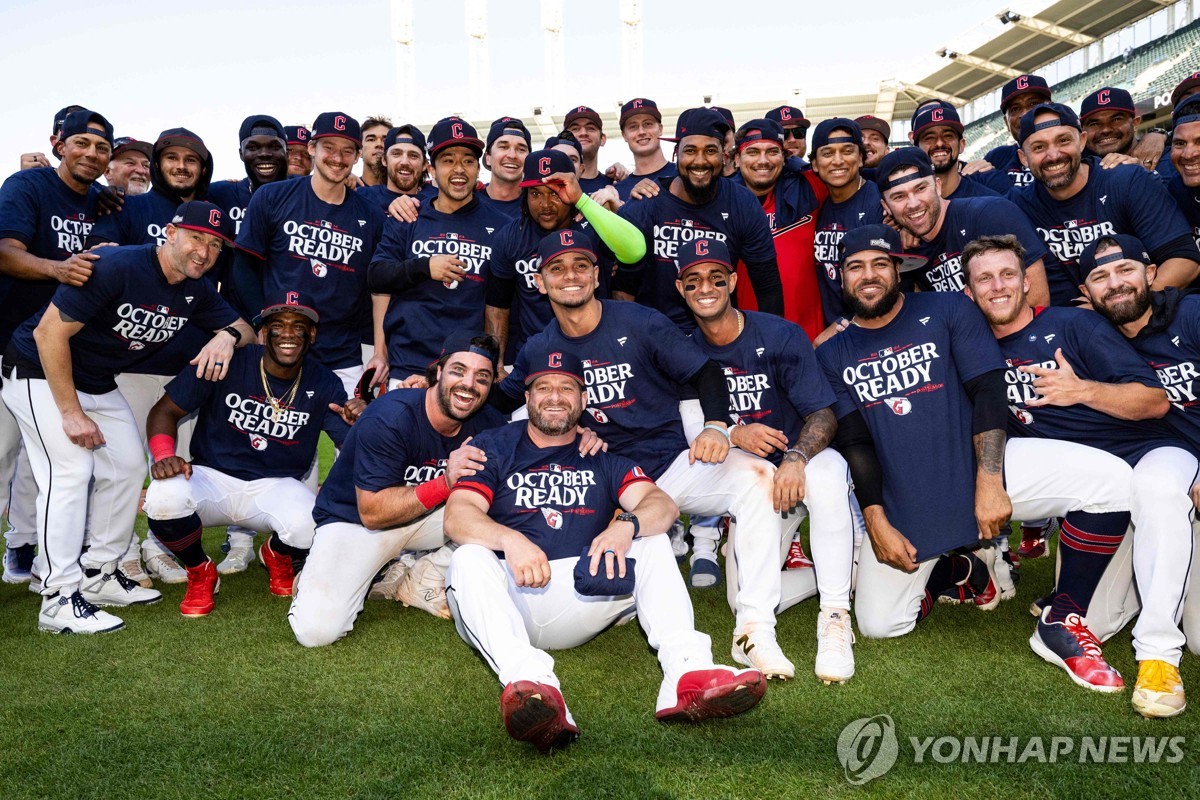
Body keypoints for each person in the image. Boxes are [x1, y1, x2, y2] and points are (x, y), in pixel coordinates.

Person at [496, 230, 800, 679]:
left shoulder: (640, 322)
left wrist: (718, 426)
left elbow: (705, 372)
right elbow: (503, 401)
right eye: (557, 268)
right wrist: (438, 405)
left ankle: (754, 627)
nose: (570, 276)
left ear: (597, 275)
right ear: (540, 282)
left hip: (670, 464)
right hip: (605, 483)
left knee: (757, 478)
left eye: (581, 265)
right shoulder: (540, 347)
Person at [815, 224, 1133, 651]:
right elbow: (855, 442)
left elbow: (988, 390)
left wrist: (989, 481)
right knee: (879, 623)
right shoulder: (831, 351)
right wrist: (875, 518)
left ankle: (1067, 608)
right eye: (856, 266)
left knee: (1112, 481)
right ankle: (963, 567)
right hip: (908, 494)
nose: (869, 275)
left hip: (982, 466)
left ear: (898, 269)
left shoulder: (948, 309)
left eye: (880, 264)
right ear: (841, 276)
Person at [444, 346, 766, 752]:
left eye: (567, 388)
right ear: (526, 398)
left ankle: (687, 673)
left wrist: (625, 526)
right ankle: (535, 689)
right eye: (543, 387)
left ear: (583, 399)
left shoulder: (600, 454)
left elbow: (662, 505)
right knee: (468, 558)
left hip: (580, 593)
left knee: (651, 543)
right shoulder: (495, 445)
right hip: (508, 596)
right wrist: (510, 539)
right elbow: (458, 516)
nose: (555, 397)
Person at [1, 201, 254, 633]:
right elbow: (48, 333)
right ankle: (57, 595)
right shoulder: (116, 265)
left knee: (128, 467)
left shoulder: (196, 288)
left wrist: (226, 338)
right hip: (38, 371)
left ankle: (100, 573)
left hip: (96, 379)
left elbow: (246, 328)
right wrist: (70, 413)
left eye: (215, 245)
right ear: (170, 233)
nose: (204, 252)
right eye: (196, 237)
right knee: (70, 472)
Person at [963, 233, 1188, 705]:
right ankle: (1086, 605)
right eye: (984, 279)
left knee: (1151, 488)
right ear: (969, 293)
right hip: (1094, 495)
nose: (998, 286)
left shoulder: (1073, 325)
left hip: (1147, 456)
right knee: (1099, 620)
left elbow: (1155, 401)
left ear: (1028, 284)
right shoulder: (973, 349)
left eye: (1008, 275)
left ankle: (1159, 656)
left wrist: (1081, 390)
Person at [675, 237, 857, 683]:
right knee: (741, 601)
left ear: (733, 281)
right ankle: (835, 568)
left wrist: (796, 455)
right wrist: (734, 432)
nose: (706, 287)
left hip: (800, 463)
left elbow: (822, 412)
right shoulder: (681, 346)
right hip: (751, 482)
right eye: (693, 280)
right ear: (681, 288)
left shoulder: (778, 333)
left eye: (716, 278)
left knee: (829, 475)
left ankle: (835, 617)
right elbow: (692, 426)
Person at [142, 294, 361, 615]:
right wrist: (163, 455)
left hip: (275, 486)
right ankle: (200, 570)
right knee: (163, 498)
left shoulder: (324, 381)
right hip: (211, 477)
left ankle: (277, 554)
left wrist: (364, 419)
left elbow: (351, 443)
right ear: (263, 333)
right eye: (278, 325)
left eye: (299, 326)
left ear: (312, 335)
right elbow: (165, 411)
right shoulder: (230, 362)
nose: (288, 334)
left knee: (314, 526)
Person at [288, 332, 507, 645]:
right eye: (459, 370)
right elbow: (372, 513)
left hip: (426, 520)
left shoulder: (489, 422)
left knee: (508, 497)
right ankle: (327, 574)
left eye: (482, 376)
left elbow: (531, 455)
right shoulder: (392, 416)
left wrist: (578, 434)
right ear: (439, 372)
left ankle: (425, 573)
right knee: (316, 632)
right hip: (356, 522)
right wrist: (446, 481)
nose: (469, 384)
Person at [1075, 234, 1200, 718]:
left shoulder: (1189, 315)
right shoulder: (1091, 338)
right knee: (1092, 621)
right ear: (1087, 292)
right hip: (1167, 466)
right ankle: (1156, 658)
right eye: (1100, 277)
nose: (1115, 284)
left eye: (1124, 269)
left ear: (1150, 274)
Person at [0, 109, 113, 586]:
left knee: (43, 458)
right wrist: (56, 269)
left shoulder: (102, 204)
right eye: (81, 143)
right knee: (4, 456)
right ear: (57, 144)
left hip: (58, 350)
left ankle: (29, 550)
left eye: (101, 148)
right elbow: (5, 252)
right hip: (9, 342)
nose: (91, 153)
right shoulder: (28, 187)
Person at [233, 112, 388, 398]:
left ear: (356, 157)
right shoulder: (272, 196)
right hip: (282, 343)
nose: (338, 158)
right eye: (329, 147)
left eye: (347, 151)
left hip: (342, 353)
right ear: (311, 148)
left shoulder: (372, 216)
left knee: (353, 437)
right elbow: (243, 266)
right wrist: (260, 322)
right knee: (280, 437)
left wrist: (379, 349)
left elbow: (379, 287)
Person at [1010, 102, 1200, 306]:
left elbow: (1185, 262)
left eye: (1063, 140)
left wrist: (1120, 310)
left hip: (1151, 313)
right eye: (1039, 147)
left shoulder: (1126, 180)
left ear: (1082, 141)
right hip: (1079, 326)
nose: (1054, 155)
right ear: (1023, 158)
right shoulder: (1016, 206)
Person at [367, 117, 510, 385]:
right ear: (431, 169)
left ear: (478, 168)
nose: (459, 169)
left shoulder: (502, 225)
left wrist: (497, 362)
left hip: (469, 366)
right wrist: (424, 267)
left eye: (468, 160)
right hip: (408, 364)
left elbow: (504, 302)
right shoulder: (408, 215)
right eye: (448, 160)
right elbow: (377, 276)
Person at [617, 108, 782, 330]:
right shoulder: (646, 202)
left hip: (718, 339)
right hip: (654, 339)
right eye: (691, 150)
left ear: (724, 156)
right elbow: (622, 290)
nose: (700, 161)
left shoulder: (742, 203)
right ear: (677, 154)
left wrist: (769, 346)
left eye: (710, 150)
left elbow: (767, 286)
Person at [485, 147, 645, 366]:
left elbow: (635, 250)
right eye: (536, 193)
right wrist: (497, 364)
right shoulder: (511, 236)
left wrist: (581, 199)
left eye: (555, 192)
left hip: (598, 353)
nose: (545, 204)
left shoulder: (593, 223)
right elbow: (497, 307)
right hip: (538, 356)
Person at [876, 147, 1050, 303]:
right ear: (886, 207)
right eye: (899, 197)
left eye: (920, 189)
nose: (913, 203)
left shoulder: (991, 214)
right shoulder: (906, 251)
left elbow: (1038, 299)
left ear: (937, 186)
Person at [730, 118, 827, 341]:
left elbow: (859, 182)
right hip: (749, 337)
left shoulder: (809, 187)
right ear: (736, 159)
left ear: (784, 158)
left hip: (810, 337)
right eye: (752, 152)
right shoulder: (723, 201)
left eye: (772, 151)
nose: (762, 161)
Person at [811, 118, 884, 329]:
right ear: (815, 164)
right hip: (833, 328)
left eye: (847, 151)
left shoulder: (878, 203)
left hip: (868, 327)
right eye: (827, 153)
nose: (838, 161)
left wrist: (847, 326)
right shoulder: (817, 204)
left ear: (861, 158)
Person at [208, 115, 289, 238]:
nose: (264, 154)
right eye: (252, 148)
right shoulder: (220, 194)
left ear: (286, 152)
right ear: (241, 153)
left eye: (275, 147)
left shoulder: (305, 193)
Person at [908, 101, 1009, 199]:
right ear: (914, 143)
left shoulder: (986, 178)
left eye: (948, 135)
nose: (939, 143)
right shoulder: (905, 189)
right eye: (929, 137)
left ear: (961, 144)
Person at [984, 74, 1052, 187]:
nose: (1025, 114)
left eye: (1033, 104)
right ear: (1006, 122)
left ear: (1052, 108)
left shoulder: (1075, 150)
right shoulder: (997, 158)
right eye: (1015, 109)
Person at [613, 98, 676, 201]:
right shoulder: (617, 192)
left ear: (660, 129)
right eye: (633, 126)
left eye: (648, 124)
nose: (641, 132)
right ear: (624, 135)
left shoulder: (682, 175)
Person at [358, 125, 431, 213]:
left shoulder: (434, 205)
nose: (404, 162)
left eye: (413, 156)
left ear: (424, 165)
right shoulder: (361, 197)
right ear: (384, 160)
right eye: (396, 154)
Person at [479, 117, 531, 218]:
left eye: (521, 149)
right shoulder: (467, 201)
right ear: (488, 157)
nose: (512, 155)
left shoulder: (539, 204)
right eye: (503, 147)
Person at [359, 116, 392, 187]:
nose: (379, 144)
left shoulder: (405, 192)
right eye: (371, 139)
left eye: (385, 140)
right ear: (360, 151)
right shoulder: (346, 190)